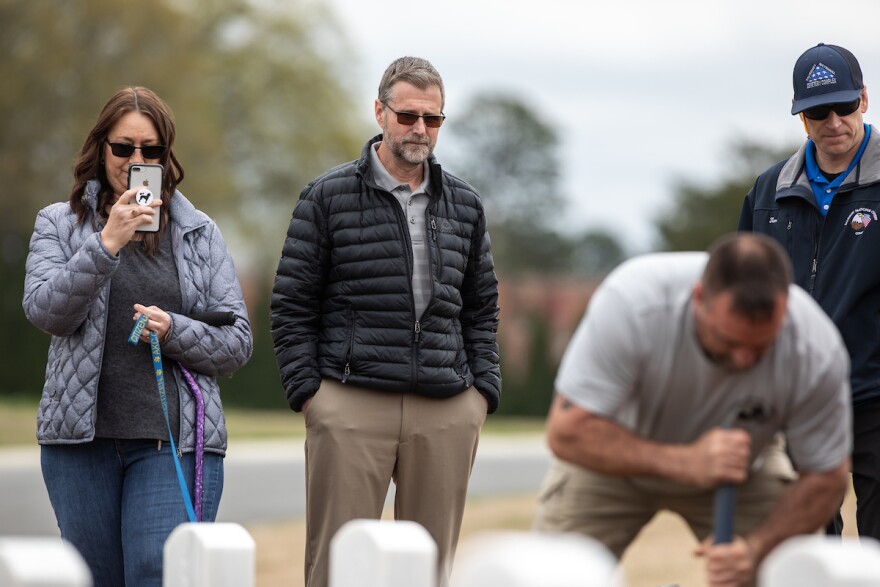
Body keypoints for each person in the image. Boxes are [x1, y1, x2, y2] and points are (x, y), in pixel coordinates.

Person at [270, 56, 500, 587]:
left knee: (430, 572)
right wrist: (312, 395)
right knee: (336, 568)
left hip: (446, 406)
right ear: (380, 112)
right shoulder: (326, 197)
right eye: (408, 115)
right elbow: (292, 302)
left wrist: (480, 393)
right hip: (350, 401)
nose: (420, 129)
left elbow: (483, 307)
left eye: (434, 119)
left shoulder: (465, 203)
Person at [22, 86, 253, 587]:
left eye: (151, 150)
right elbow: (46, 311)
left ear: (166, 157)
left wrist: (174, 330)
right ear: (100, 148)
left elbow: (237, 342)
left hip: (171, 442)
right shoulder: (59, 224)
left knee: (160, 573)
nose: (136, 160)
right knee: (94, 577)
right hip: (81, 443)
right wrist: (105, 245)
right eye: (123, 148)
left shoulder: (198, 233)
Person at [533, 233, 851, 587]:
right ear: (699, 298)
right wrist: (687, 462)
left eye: (761, 347)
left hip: (743, 469)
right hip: (613, 458)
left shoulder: (814, 347)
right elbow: (567, 432)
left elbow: (828, 475)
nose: (744, 359)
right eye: (729, 341)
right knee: (552, 575)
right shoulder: (634, 303)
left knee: (786, 575)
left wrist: (755, 550)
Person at [738, 42, 879, 538]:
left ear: (863, 98)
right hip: (797, 399)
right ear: (801, 117)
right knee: (806, 546)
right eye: (818, 111)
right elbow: (743, 295)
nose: (833, 121)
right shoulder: (768, 191)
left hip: (875, 393)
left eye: (843, 105)